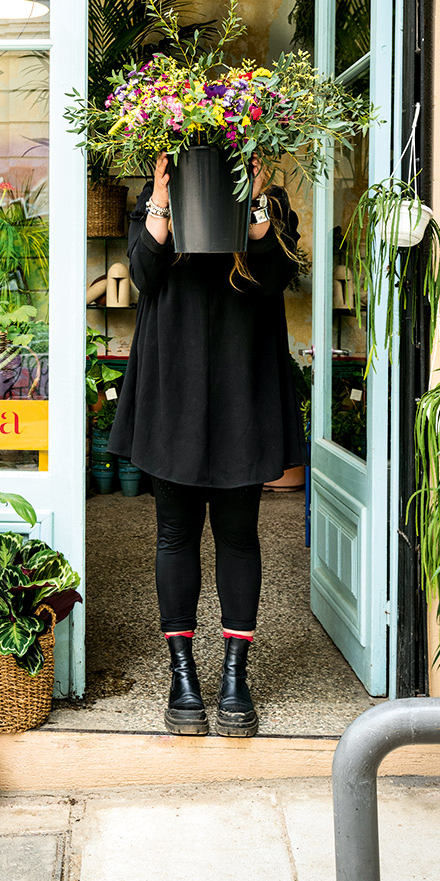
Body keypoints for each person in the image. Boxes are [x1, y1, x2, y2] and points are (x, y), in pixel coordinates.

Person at [108, 151, 306, 737]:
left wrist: (259, 203)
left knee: (240, 534)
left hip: (242, 382)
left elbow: (275, 277)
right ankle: (182, 674)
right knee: (175, 532)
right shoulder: (155, 196)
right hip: (175, 383)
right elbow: (144, 275)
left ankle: (235, 677)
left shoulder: (268, 201)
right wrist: (163, 201)